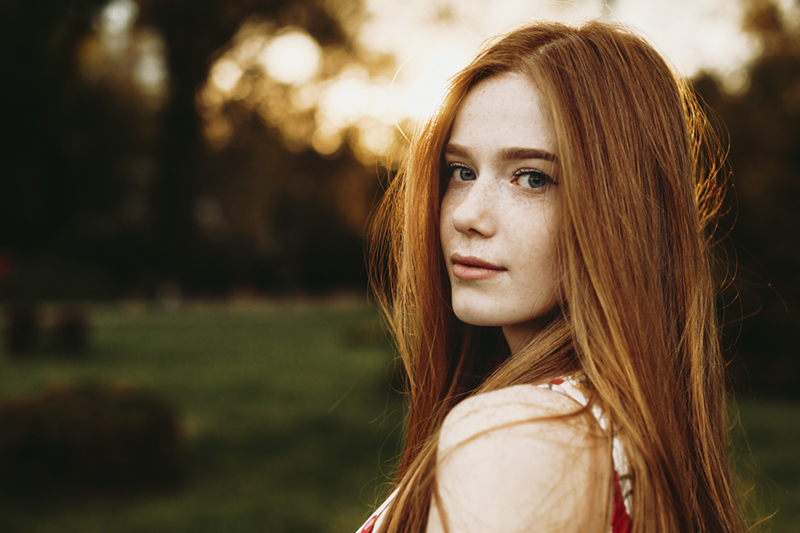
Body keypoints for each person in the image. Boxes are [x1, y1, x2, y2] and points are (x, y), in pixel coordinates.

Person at [360, 20, 745, 533]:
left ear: (622, 211)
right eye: (461, 171)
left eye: (532, 178)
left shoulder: (518, 437)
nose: (466, 215)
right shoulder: (621, 429)